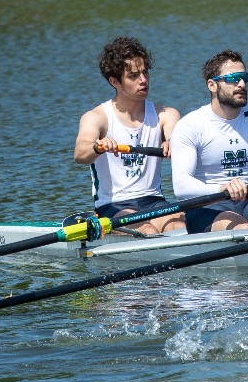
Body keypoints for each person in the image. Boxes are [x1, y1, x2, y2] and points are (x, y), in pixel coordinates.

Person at [72, 36, 182, 235]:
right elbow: (80, 154)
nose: (143, 80)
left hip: (154, 201)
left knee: (180, 226)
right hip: (113, 206)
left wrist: (173, 142)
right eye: (133, 76)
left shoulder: (165, 114)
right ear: (115, 81)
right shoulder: (96, 118)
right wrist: (98, 146)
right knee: (147, 231)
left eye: (145, 72)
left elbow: (175, 134)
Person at [167, 50, 248, 234]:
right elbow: (181, 186)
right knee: (243, 229)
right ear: (212, 85)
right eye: (233, 78)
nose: (242, 84)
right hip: (206, 205)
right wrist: (221, 188)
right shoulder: (191, 125)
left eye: (245, 77)